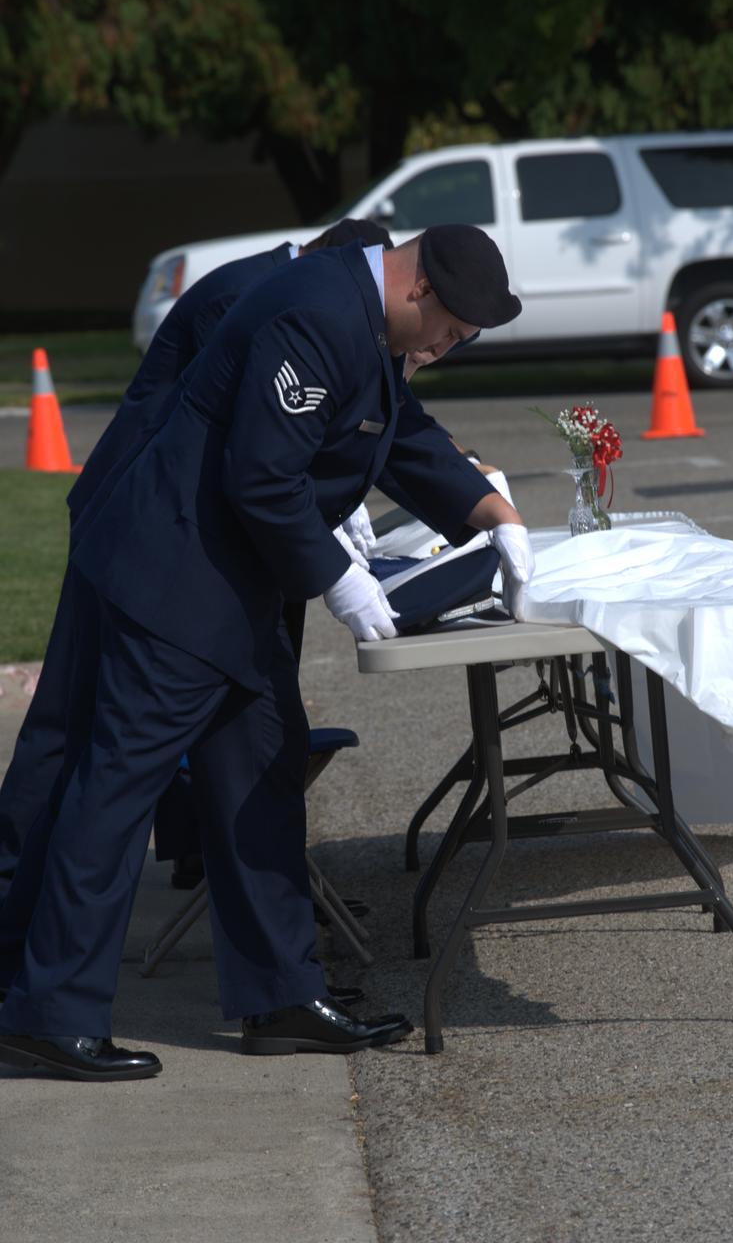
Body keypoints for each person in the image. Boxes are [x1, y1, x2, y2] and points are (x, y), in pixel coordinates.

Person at [0, 224, 534, 1081]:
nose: (449, 349)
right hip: (176, 578)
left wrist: (489, 515)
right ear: (420, 290)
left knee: (260, 775)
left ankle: (280, 996)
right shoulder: (316, 312)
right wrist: (339, 578)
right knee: (116, 787)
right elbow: (261, 474)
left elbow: (400, 434)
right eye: (453, 333)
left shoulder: (364, 319)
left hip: (227, 587)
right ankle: (49, 1013)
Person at [0, 219, 393, 888]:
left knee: (220, 721)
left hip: (218, 538)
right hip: (143, 534)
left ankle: (193, 858)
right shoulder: (251, 297)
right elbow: (250, 438)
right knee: (71, 730)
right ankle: (12, 905)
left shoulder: (288, 292)